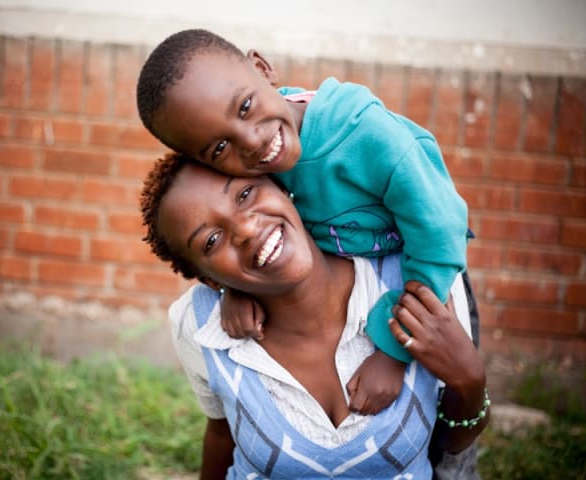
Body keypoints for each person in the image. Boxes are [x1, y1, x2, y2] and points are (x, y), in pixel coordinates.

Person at [136, 29, 480, 416]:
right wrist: (235, 290)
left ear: (262, 68)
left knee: (439, 419)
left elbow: (440, 234)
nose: (251, 141)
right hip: (359, 282)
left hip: (430, 276)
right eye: (219, 147)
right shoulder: (261, 151)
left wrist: (392, 354)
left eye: (245, 106)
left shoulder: (367, 135)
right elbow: (243, 229)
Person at [139, 152, 488, 479]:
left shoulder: (420, 280)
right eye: (212, 240)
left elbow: (450, 448)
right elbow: (222, 432)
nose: (245, 230)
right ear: (209, 278)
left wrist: (470, 381)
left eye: (245, 194)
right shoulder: (202, 324)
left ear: (281, 187)